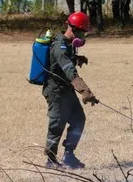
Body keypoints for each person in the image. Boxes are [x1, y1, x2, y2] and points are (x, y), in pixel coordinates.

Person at [42, 12, 99, 169]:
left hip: (66, 90)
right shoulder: (59, 47)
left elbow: (67, 62)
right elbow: (69, 72)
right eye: (82, 32)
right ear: (73, 29)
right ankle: (50, 160)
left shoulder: (68, 45)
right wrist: (85, 91)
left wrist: (78, 59)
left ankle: (69, 156)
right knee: (57, 124)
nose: (83, 36)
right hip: (56, 91)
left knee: (79, 119)